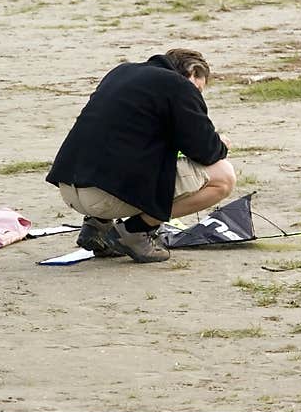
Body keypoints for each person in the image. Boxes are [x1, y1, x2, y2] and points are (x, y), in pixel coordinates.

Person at [46, 49, 236, 263]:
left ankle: (97, 227)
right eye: (199, 89)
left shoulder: (121, 72)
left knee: (125, 149)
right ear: (192, 73)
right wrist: (221, 144)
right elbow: (206, 152)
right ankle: (135, 232)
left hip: (69, 188)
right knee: (224, 177)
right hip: (104, 197)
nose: (197, 96)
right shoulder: (179, 86)